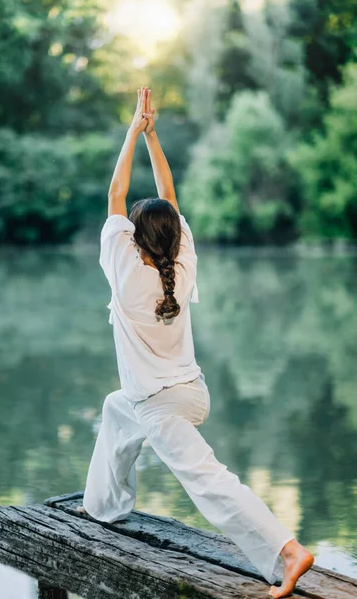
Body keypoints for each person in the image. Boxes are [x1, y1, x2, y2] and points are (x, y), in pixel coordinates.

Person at [78, 86, 314, 598]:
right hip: (188, 392)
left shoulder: (126, 272)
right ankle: (103, 506)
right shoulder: (179, 264)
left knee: (208, 480)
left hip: (163, 408)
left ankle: (287, 551)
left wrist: (133, 131)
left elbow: (116, 195)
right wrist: (154, 137)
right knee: (117, 409)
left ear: (134, 238)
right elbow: (169, 196)